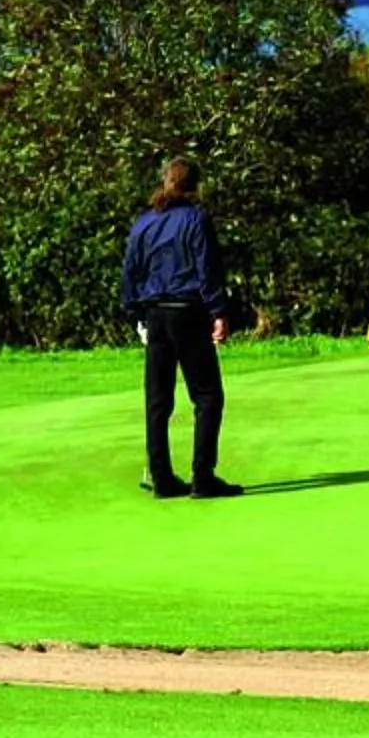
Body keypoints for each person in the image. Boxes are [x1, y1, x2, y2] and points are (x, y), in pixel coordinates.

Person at [119, 155, 239, 499]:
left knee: (158, 400)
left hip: (156, 315)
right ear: (194, 186)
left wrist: (135, 313)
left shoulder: (145, 223)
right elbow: (206, 268)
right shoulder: (196, 219)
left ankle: (161, 477)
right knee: (207, 396)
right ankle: (203, 476)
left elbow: (131, 271)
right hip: (189, 312)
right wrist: (218, 311)